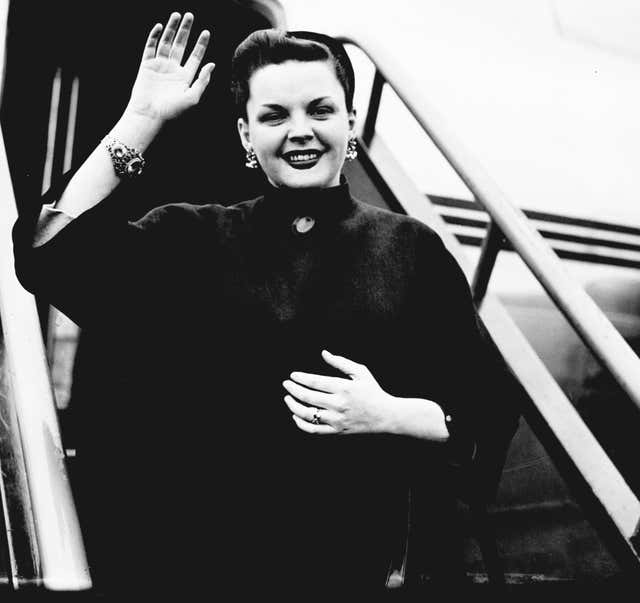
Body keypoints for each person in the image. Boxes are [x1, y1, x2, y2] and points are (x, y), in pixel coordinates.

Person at [13, 11, 519, 600]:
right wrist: (141, 119)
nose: (299, 130)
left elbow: (485, 412)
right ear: (246, 137)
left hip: (346, 568)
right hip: (193, 564)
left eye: (320, 110)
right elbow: (50, 252)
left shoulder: (410, 250)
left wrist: (386, 412)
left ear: (350, 123)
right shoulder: (192, 237)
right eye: (273, 115)